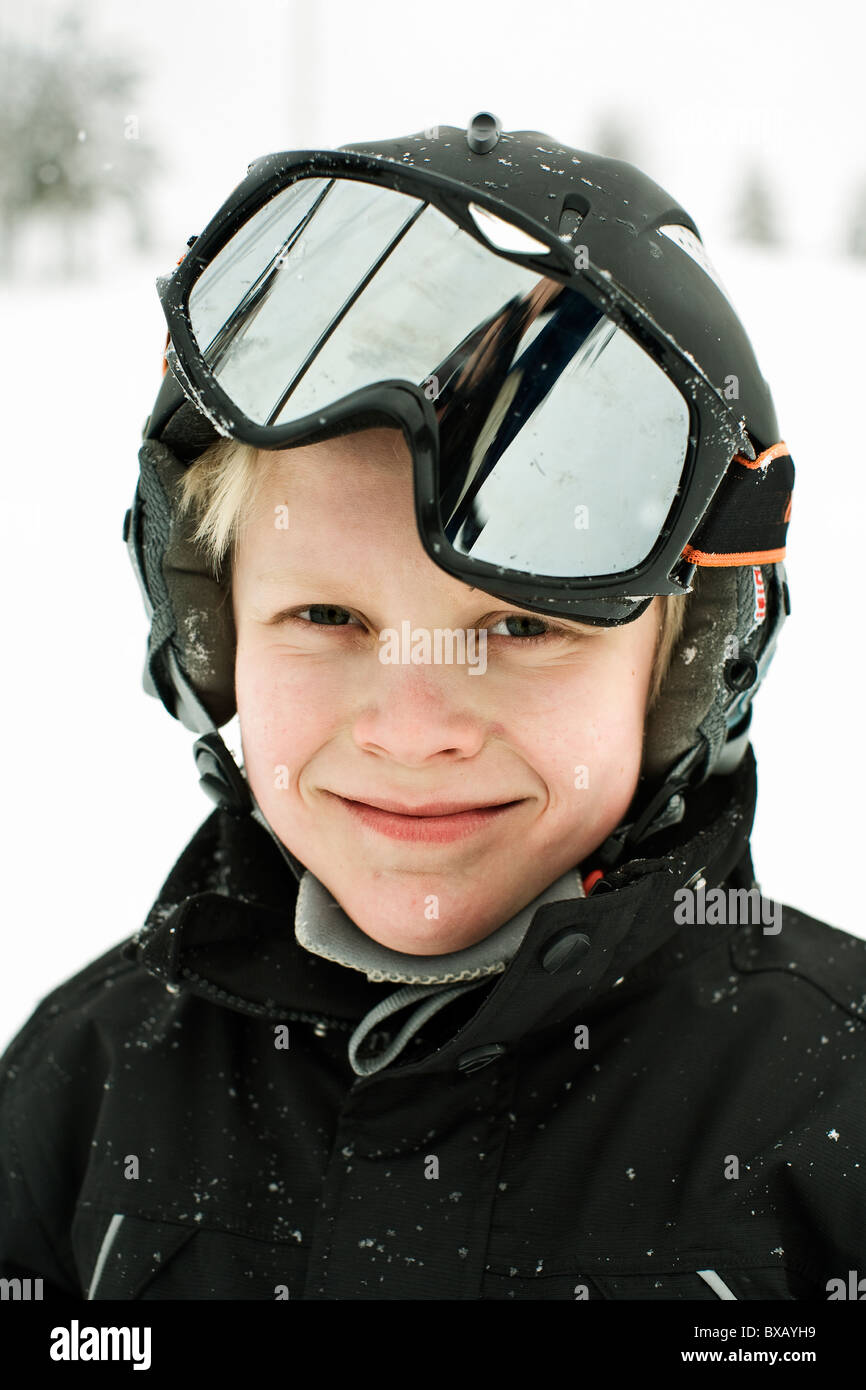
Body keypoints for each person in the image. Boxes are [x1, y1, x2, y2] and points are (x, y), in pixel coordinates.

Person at [1, 113, 863, 1304]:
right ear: (210, 633)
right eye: (327, 620)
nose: (411, 729)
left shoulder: (830, 1113)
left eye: (520, 627)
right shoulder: (82, 1091)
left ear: (686, 669)